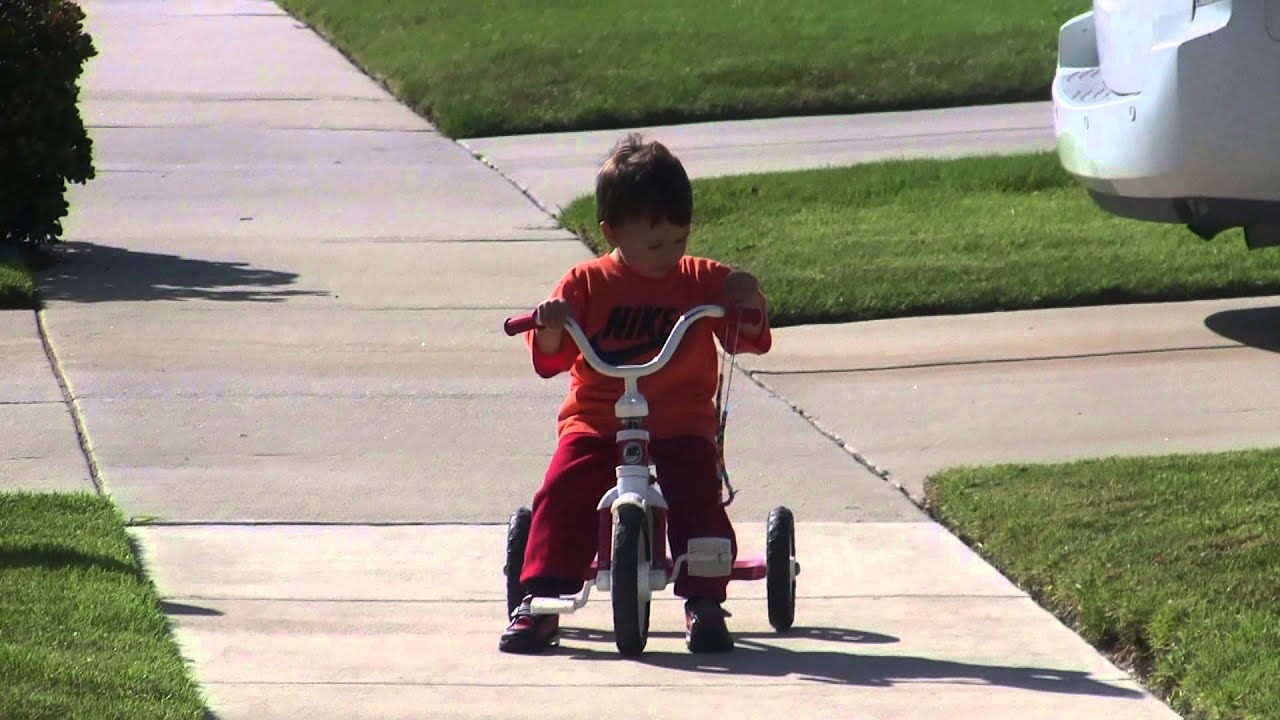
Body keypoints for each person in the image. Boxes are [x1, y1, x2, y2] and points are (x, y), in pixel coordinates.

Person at [500, 133, 772, 654]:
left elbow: (749, 334)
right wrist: (553, 323)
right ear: (611, 233)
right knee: (564, 490)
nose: (670, 254)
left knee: (697, 494)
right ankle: (539, 602)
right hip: (598, 417)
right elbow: (549, 357)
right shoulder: (586, 283)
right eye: (654, 244)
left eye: (679, 240)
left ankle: (706, 601)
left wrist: (745, 296)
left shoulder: (698, 279)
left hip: (680, 418)